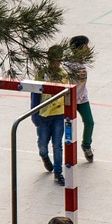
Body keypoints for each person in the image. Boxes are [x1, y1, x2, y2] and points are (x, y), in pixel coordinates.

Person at [36, 45, 68, 186]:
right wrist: (35, 112)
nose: (57, 62)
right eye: (54, 59)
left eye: (59, 59)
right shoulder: (41, 73)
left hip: (59, 114)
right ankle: (44, 156)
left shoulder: (63, 74)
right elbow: (35, 92)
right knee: (43, 144)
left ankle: (58, 172)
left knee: (57, 144)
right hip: (44, 113)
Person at [62, 36, 95, 163]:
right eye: (86, 45)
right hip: (70, 99)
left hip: (83, 97)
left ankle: (86, 145)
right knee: (69, 125)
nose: (88, 48)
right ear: (79, 48)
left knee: (89, 122)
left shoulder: (83, 61)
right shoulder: (68, 65)